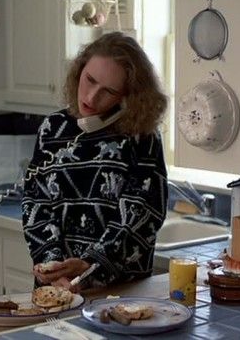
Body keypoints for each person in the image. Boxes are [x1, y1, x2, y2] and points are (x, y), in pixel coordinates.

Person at [21, 32, 168, 292]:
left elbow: (141, 215)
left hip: (121, 292)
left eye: (108, 91)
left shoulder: (142, 137)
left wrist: (92, 264)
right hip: (59, 288)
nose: (90, 97)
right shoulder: (52, 128)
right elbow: (36, 203)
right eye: (89, 80)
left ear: (127, 98)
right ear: (79, 71)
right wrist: (52, 267)